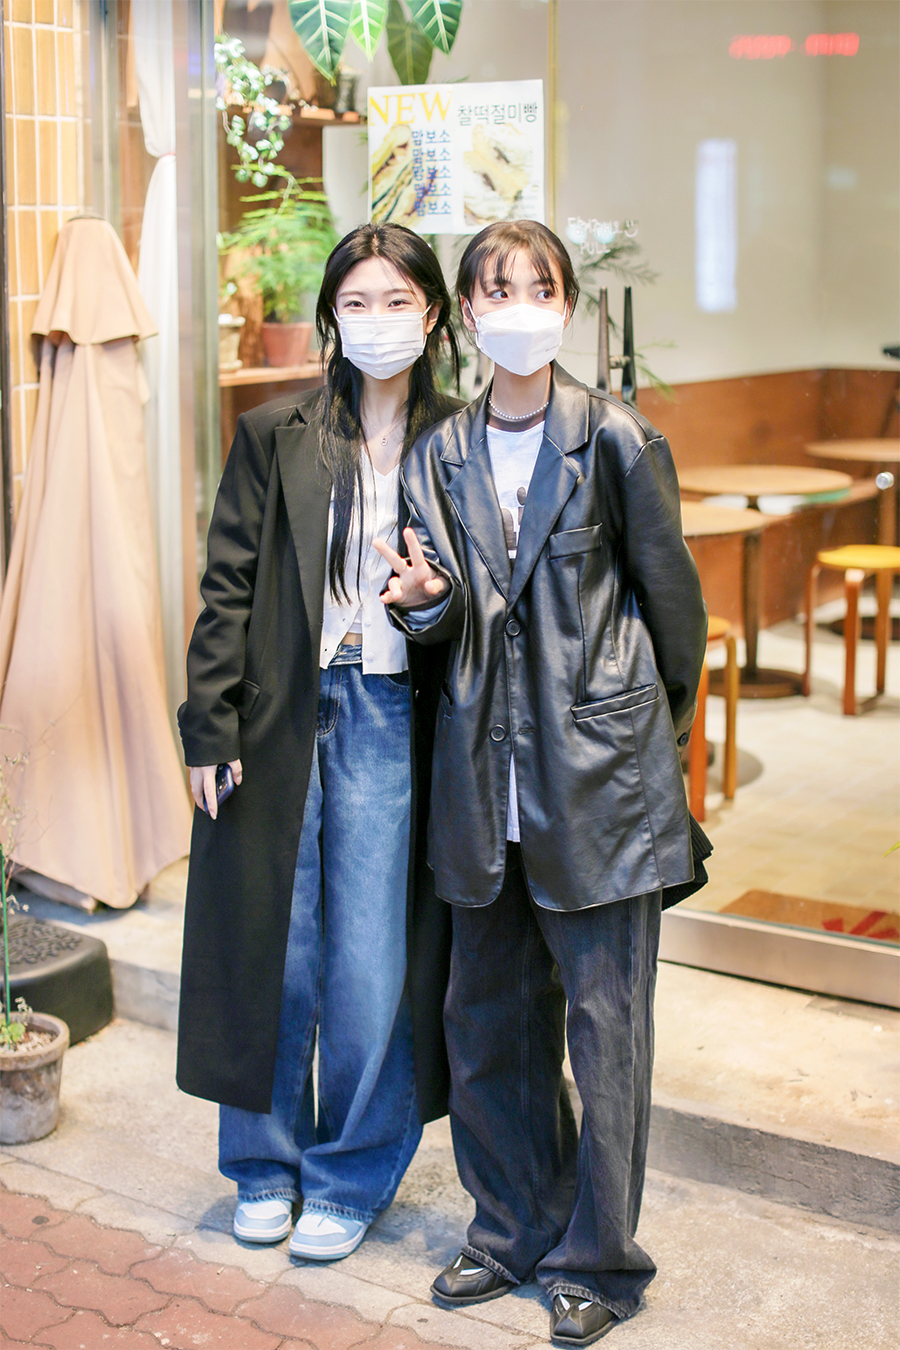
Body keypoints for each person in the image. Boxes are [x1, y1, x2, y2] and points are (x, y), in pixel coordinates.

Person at [375, 220, 708, 1344]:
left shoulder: (616, 441)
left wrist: (641, 745)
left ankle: (599, 1262)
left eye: (539, 286)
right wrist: (425, 607)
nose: (519, 305)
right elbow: (442, 616)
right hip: (484, 783)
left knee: (606, 1034)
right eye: (497, 289)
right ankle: (510, 1227)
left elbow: (674, 617)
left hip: (600, 785)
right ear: (467, 315)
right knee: (489, 1025)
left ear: (567, 306)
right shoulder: (438, 456)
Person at [176, 223, 462, 1260]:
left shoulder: (462, 441)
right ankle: (262, 1164)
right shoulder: (275, 432)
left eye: (397, 301)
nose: (376, 321)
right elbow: (227, 587)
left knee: (371, 962)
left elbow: (483, 604)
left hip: (390, 715)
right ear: (331, 316)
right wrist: (207, 724)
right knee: (274, 945)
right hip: (280, 713)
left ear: (432, 314)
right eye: (356, 302)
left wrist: (431, 603)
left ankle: (349, 1172)